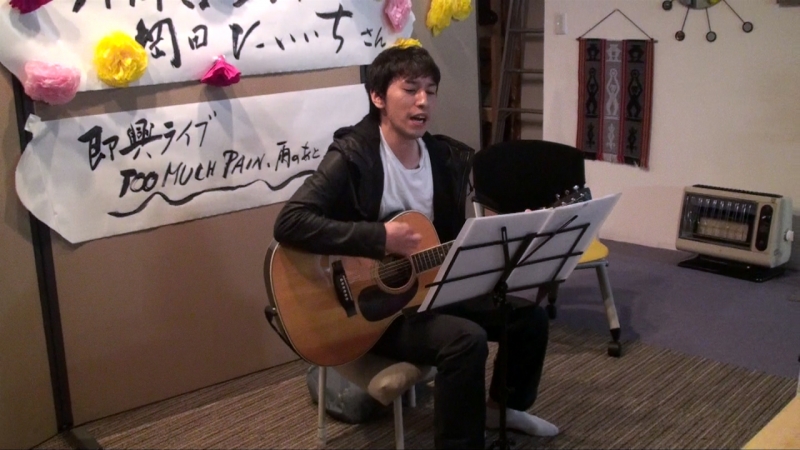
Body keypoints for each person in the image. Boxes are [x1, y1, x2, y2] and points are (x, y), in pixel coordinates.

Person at [273, 45, 558, 449]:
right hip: (374, 310)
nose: (423, 101)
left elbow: (446, 243)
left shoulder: (444, 158)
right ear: (378, 97)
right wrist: (379, 238)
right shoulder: (352, 155)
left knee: (528, 318)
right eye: (410, 89)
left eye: (430, 91)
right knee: (466, 340)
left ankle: (502, 409)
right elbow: (290, 222)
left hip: (427, 288)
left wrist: (509, 230)